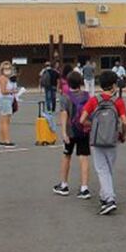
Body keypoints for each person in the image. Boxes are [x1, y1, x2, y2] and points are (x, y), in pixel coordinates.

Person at [80, 71, 126, 215]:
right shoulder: (118, 101)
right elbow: (125, 121)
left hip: (97, 139)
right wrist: (123, 135)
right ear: (114, 85)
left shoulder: (94, 100)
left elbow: (82, 120)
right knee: (108, 168)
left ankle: (109, 199)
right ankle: (104, 195)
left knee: (102, 169)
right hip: (113, 139)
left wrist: (93, 125)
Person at [53, 71, 92, 200]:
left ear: (67, 82)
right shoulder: (87, 96)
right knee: (84, 157)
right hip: (84, 130)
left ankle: (64, 185)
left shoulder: (65, 97)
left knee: (67, 156)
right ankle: (84, 187)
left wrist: (64, 132)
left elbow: (64, 114)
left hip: (71, 131)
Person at [0, 61, 17, 147]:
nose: (7, 70)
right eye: (5, 68)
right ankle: (7, 140)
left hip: (7, 99)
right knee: (5, 121)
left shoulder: (8, 78)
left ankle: (3, 139)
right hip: (5, 100)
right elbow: (4, 91)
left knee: (3, 120)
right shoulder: (3, 78)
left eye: (9, 68)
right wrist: (13, 91)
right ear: (2, 69)